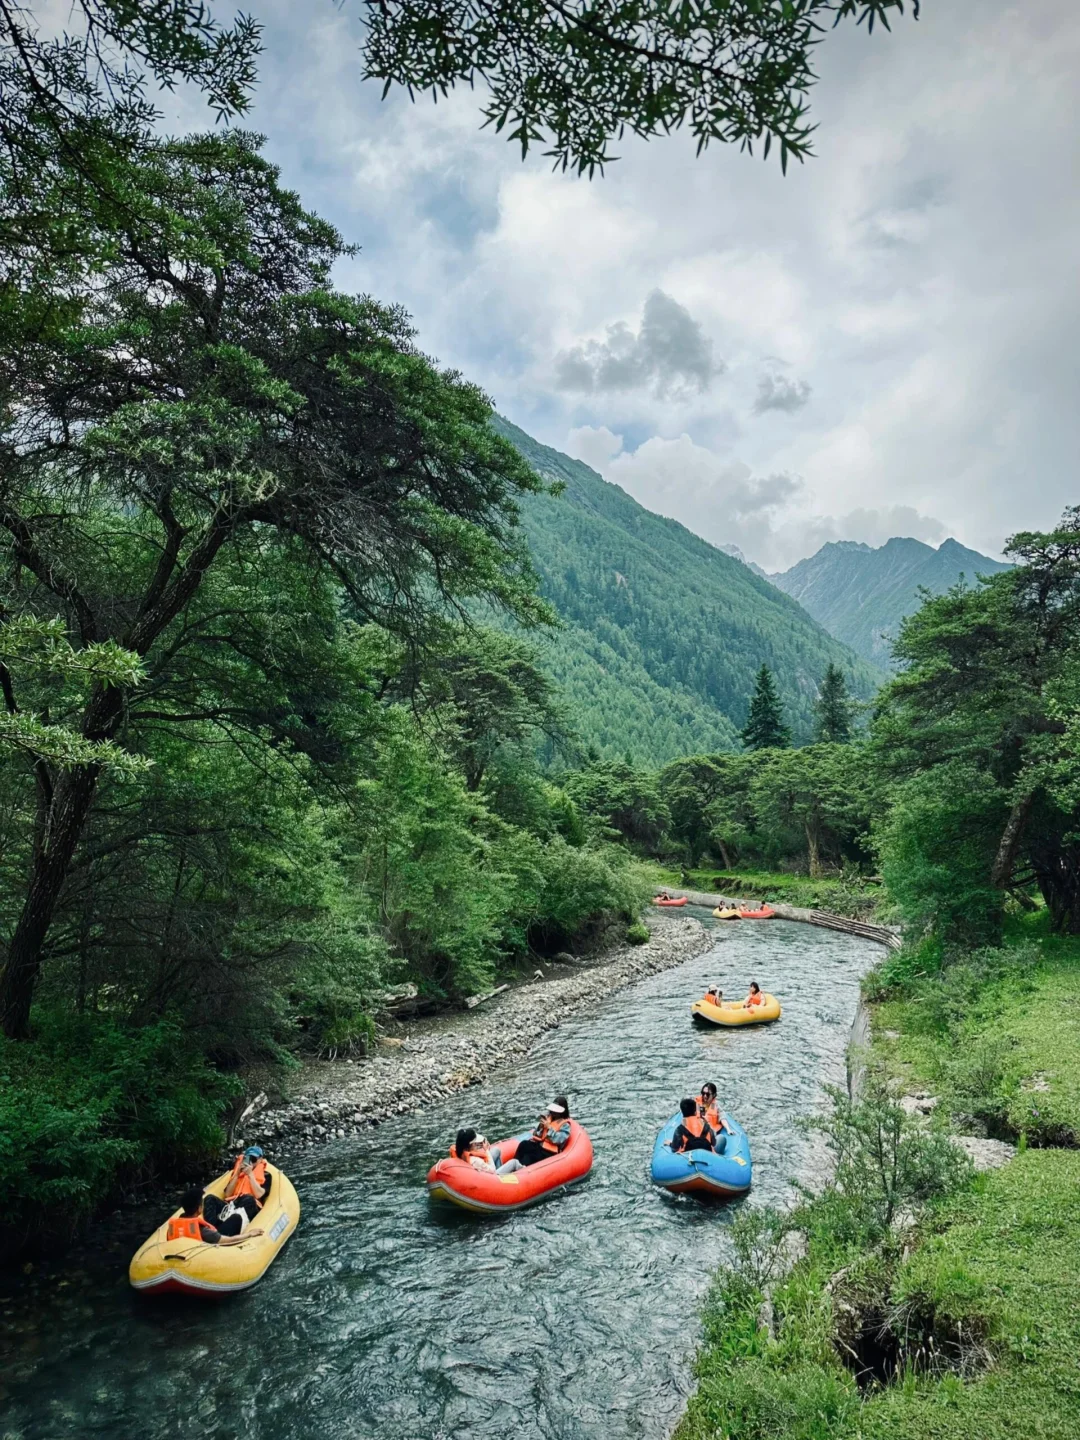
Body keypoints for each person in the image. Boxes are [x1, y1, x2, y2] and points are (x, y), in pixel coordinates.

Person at [203, 1146, 271, 1235]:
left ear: (260, 1159)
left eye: (253, 1159)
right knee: (209, 1198)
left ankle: (223, 1232)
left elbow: (259, 1195)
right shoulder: (236, 1173)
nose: (251, 1162)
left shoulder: (266, 1175)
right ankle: (213, 1228)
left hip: (249, 1205)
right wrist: (237, 1174)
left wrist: (250, 1175)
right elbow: (227, 1194)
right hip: (232, 1205)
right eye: (248, 1159)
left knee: (248, 1198)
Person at [166, 1186, 264, 1246]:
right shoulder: (205, 1232)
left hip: (201, 1240)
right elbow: (227, 1240)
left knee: (210, 1199)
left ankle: (223, 1218)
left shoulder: (174, 1226)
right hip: (215, 1241)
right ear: (200, 1209)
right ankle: (230, 1215)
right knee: (236, 1217)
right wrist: (249, 1234)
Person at [512, 1097, 572, 1166]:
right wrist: (540, 1127)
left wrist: (549, 1128)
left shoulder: (565, 1125)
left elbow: (558, 1140)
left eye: (556, 1111)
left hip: (549, 1153)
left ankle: (518, 1171)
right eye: (553, 1110)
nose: (553, 1112)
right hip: (540, 1146)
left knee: (528, 1157)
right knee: (524, 1144)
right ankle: (513, 1164)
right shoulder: (549, 1119)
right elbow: (537, 1135)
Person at [452, 1127, 522, 1175]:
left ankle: (502, 1170)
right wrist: (486, 1151)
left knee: (496, 1150)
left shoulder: (461, 1152)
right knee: (514, 1162)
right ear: (470, 1145)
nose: (476, 1144)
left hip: (484, 1169)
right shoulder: (475, 1161)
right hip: (493, 1178)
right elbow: (493, 1170)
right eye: (474, 1143)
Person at [696, 1083, 731, 1153]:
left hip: (710, 1133)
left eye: (708, 1094)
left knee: (721, 1138)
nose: (705, 1096)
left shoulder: (716, 1106)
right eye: (703, 1093)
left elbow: (722, 1117)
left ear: (714, 1095)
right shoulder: (697, 1105)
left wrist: (728, 1129)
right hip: (698, 1135)